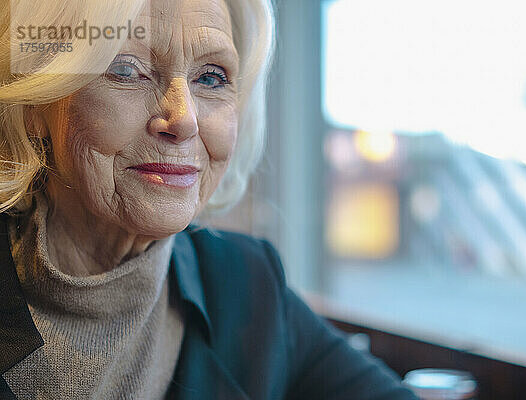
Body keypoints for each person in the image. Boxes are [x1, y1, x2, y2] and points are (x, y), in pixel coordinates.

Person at [0, 0, 417, 398]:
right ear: (35, 101)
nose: (184, 118)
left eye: (211, 77)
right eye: (126, 70)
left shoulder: (246, 283)